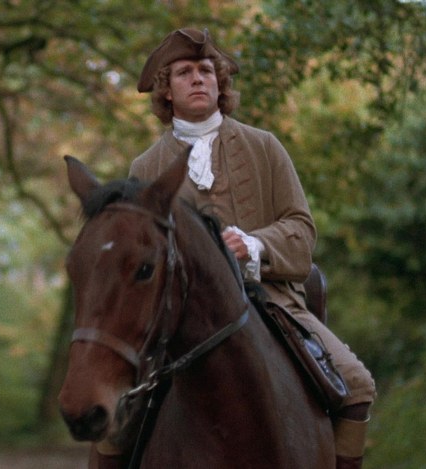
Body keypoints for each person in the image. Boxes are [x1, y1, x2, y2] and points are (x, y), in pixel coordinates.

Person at [125, 28, 377, 469]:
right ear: (166, 90)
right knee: (116, 409)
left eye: (206, 70)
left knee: (357, 385)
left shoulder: (265, 146)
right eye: (184, 72)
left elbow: (301, 229)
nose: (198, 78)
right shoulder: (144, 169)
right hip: (176, 322)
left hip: (274, 305)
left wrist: (254, 244)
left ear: (220, 82)